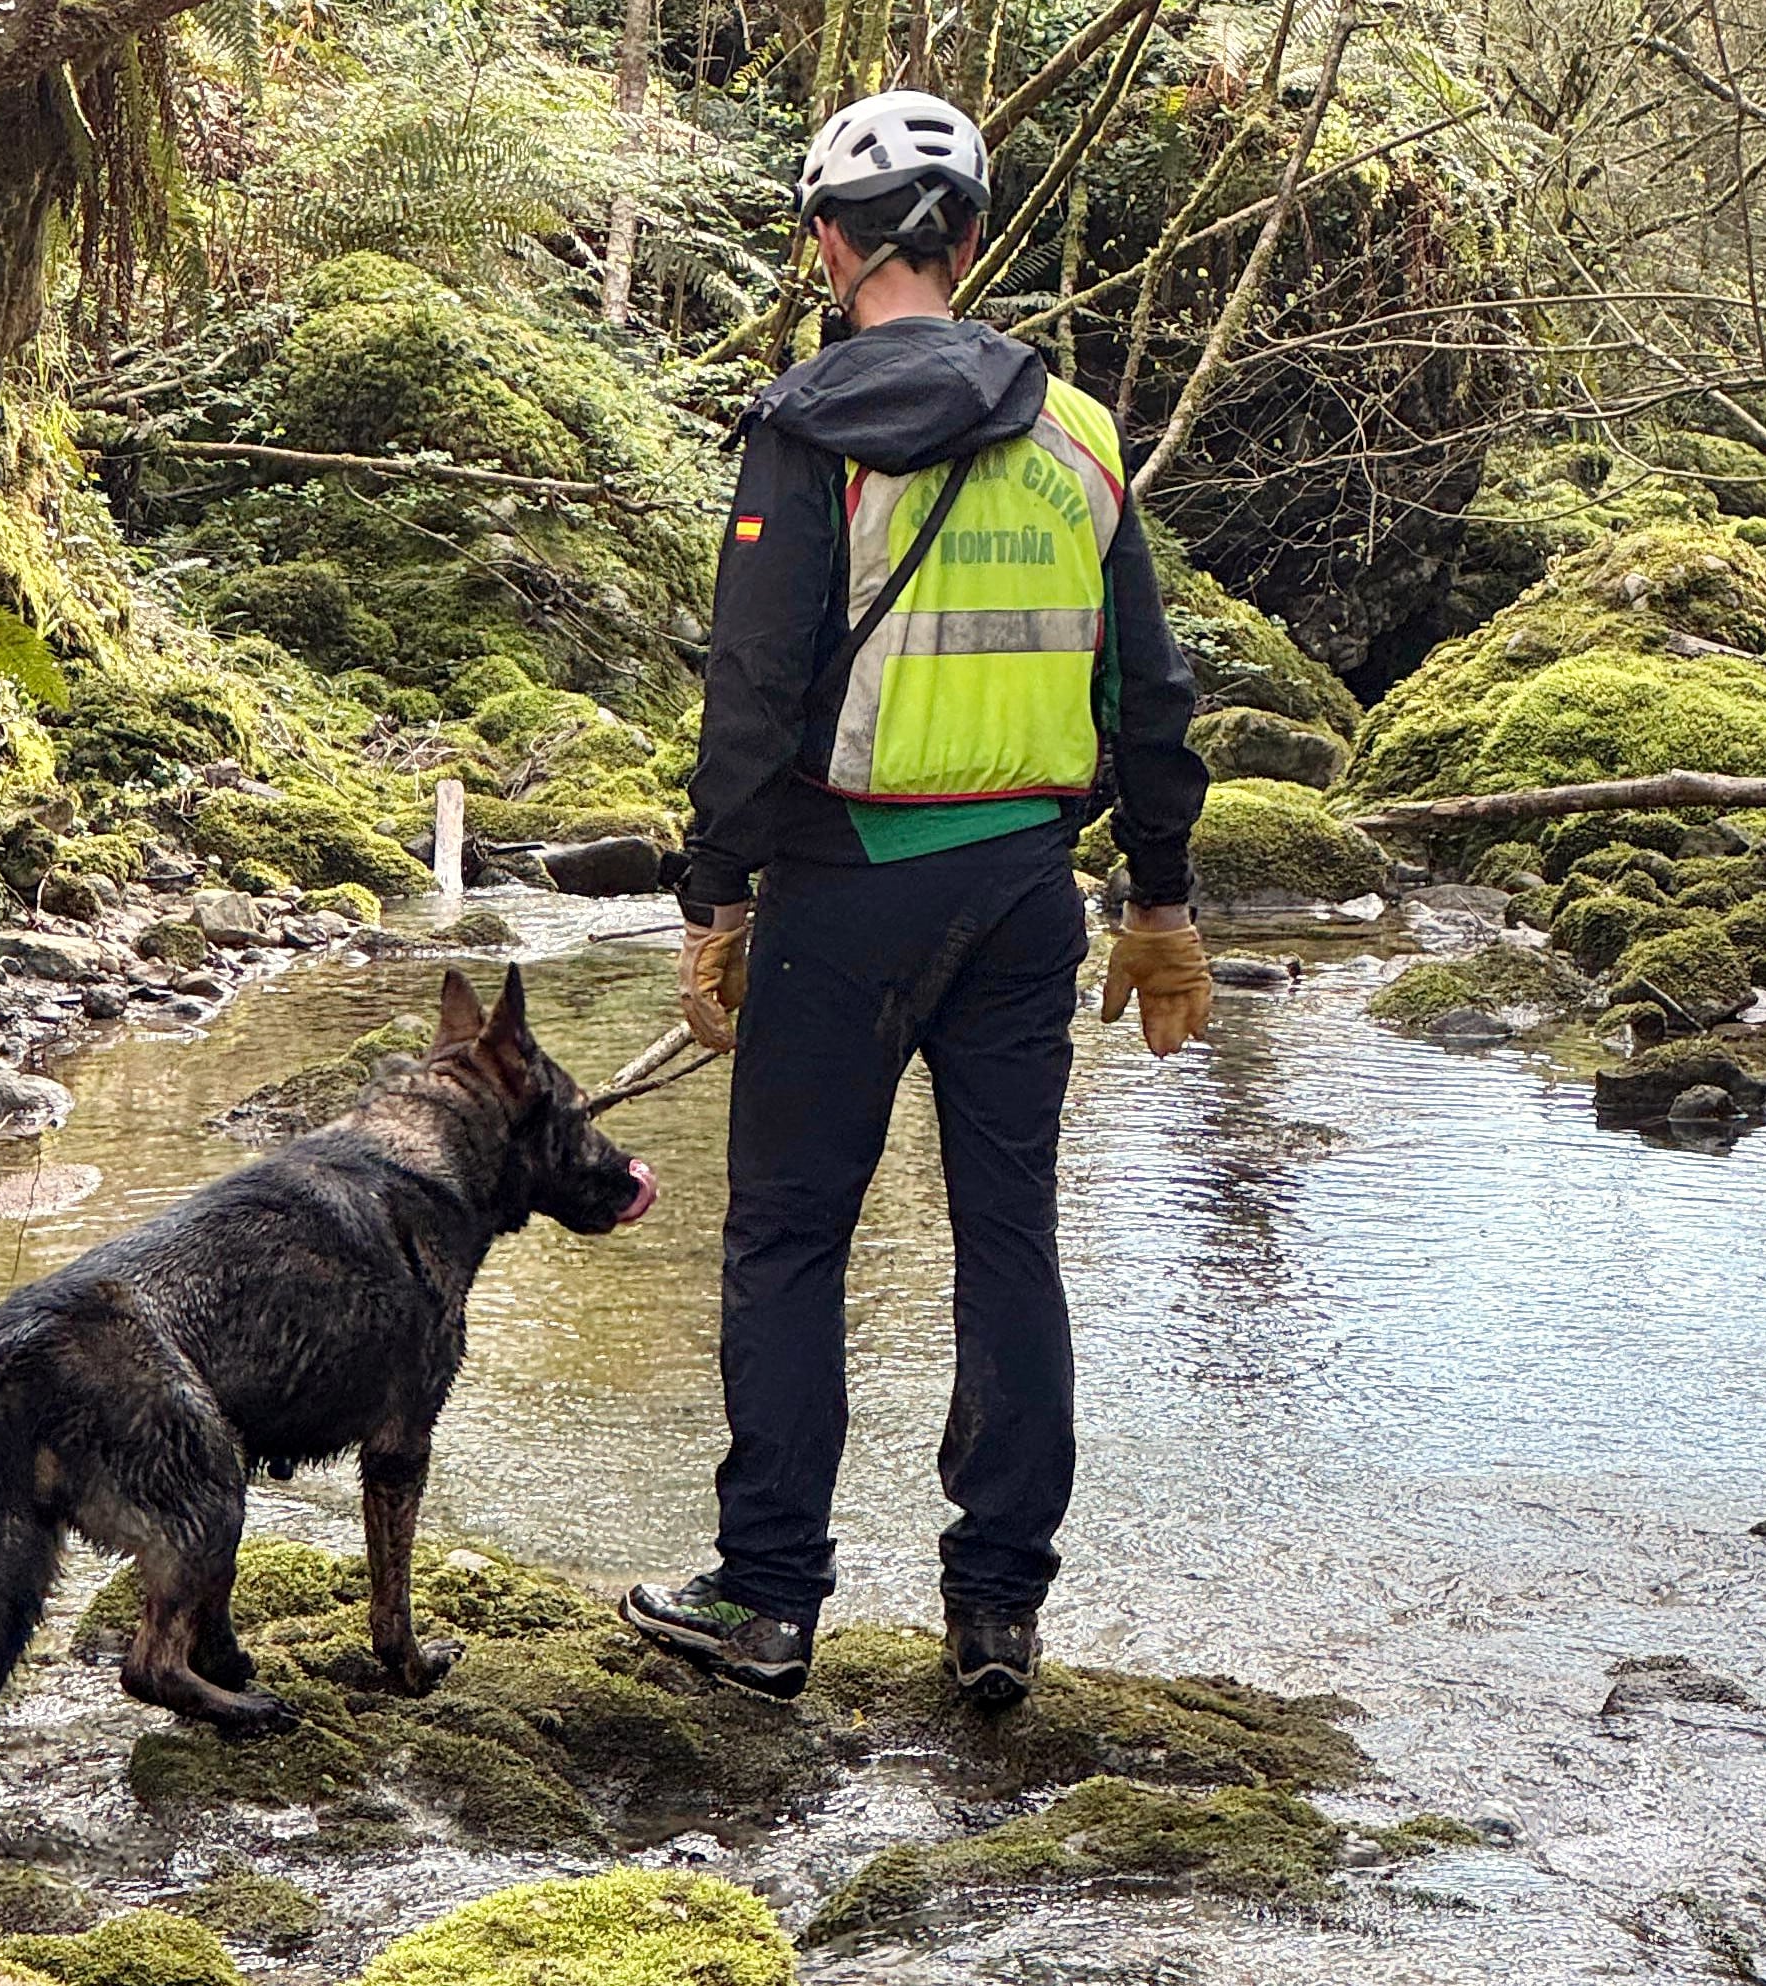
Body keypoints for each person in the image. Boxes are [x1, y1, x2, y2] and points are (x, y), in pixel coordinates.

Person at [619, 89, 1213, 1708]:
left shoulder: (803, 431)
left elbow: (754, 687)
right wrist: (1161, 898)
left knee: (792, 1235)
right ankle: (997, 1611)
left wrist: (713, 894)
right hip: (1024, 894)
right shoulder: (1079, 433)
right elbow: (1151, 696)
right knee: (1009, 1234)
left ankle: (767, 1600)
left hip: (845, 888)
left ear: (829, 244)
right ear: (970, 241)